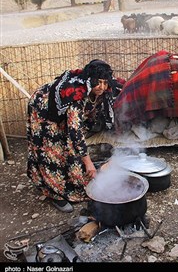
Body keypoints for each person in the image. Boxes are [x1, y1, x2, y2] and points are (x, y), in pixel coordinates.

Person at [26, 59, 124, 213]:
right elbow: (75, 132)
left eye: (105, 83)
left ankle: (70, 177)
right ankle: (53, 192)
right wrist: (88, 163)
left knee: (68, 146)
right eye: (98, 83)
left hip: (60, 110)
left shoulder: (106, 88)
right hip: (43, 108)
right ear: (89, 80)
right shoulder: (76, 94)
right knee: (51, 150)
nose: (102, 87)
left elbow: (122, 86)